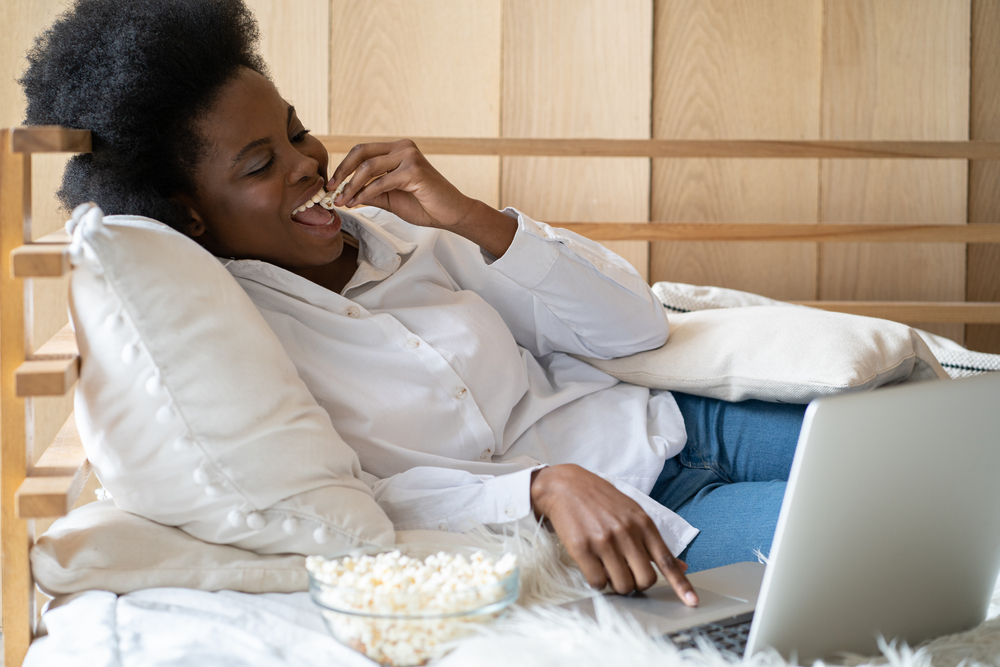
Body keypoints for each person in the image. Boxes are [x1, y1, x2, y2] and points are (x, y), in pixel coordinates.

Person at [20, 0, 807, 607]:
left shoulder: (405, 234)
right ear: (190, 214)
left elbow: (633, 325)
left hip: (681, 421)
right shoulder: (235, 341)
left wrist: (472, 216)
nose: (306, 164)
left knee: (918, 448)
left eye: (297, 134)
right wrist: (539, 486)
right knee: (904, 540)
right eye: (262, 163)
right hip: (627, 526)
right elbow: (356, 506)